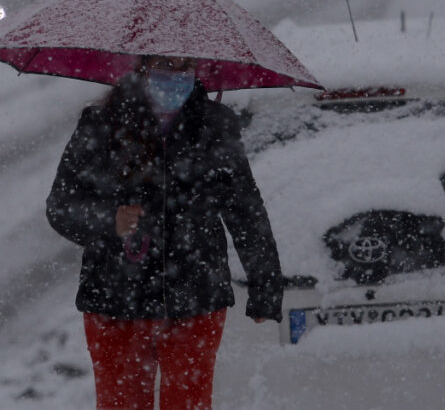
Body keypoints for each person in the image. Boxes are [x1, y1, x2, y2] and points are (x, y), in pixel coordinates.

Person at [46, 55, 283, 410]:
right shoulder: (101, 124)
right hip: (115, 298)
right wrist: (109, 220)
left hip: (196, 296)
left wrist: (265, 284)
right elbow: (61, 205)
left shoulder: (215, 127)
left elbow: (245, 210)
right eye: (164, 66)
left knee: (189, 403)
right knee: (120, 404)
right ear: (141, 69)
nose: (175, 77)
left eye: (184, 67)